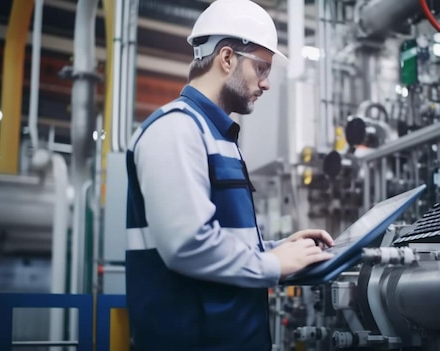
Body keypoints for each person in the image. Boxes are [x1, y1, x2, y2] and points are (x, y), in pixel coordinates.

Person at [124, 0, 334, 350]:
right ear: (226, 58)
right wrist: (271, 264)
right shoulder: (177, 129)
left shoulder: (217, 136)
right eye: (262, 69)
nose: (266, 84)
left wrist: (279, 249)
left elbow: (218, 239)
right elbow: (187, 245)